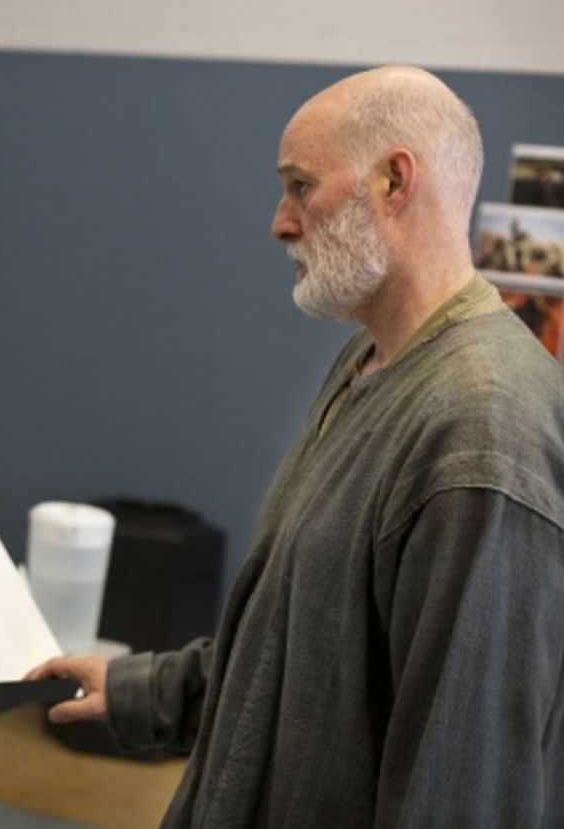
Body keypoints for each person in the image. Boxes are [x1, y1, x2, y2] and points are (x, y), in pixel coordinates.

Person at [28, 67, 564, 827]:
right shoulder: (369, 361)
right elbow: (298, 640)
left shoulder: (482, 429)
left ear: (393, 181)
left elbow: (463, 790)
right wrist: (142, 689)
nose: (281, 221)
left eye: (301, 186)